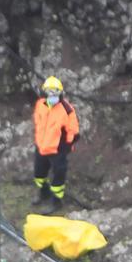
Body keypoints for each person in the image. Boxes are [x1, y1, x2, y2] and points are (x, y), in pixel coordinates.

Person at [32, 76, 79, 213]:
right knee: (39, 174)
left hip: (57, 150)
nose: (52, 95)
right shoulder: (40, 104)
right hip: (41, 147)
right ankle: (43, 192)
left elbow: (74, 131)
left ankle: (56, 201)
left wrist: (65, 146)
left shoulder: (67, 110)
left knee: (59, 175)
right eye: (49, 92)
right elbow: (38, 122)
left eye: (55, 92)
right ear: (45, 92)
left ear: (60, 93)